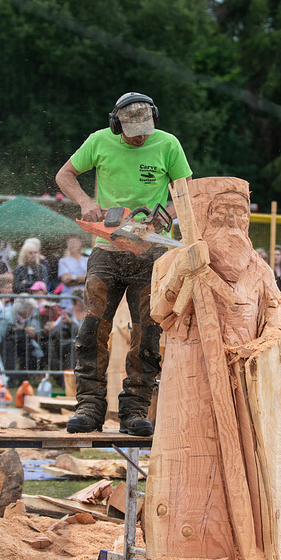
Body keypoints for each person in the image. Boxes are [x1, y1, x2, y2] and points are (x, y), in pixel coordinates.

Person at [146, 176, 281, 560]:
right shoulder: (170, 260)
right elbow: (159, 311)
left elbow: (277, 312)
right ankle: (189, 551)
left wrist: (263, 344)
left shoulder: (258, 268)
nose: (231, 220)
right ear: (203, 216)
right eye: (221, 211)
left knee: (247, 462)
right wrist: (182, 272)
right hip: (190, 380)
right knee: (194, 464)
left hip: (244, 380)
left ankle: (251, 549)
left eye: (239, 212)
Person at [55, 91, 192, 435]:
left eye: (145, 129)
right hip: (107, 249)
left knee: (147, 332)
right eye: (133, 132)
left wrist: (163, 217)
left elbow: (185, 191)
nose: (141, 136)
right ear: (117, 124)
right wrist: (86, 201)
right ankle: (89, 405)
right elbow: (65, 175)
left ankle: (135, 408)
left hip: (152, 256)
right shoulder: (99, 141)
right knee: (91, 329)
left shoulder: (167, 144)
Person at [0, 295, 43, 386]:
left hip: (19, 342)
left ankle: (25, 378)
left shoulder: (25, 318)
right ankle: (10, 378)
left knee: (29, 348)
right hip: (4, 344)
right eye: (31, 309)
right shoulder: (6, 317)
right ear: (23, 310)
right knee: (9, 347)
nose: (32, 312)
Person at [57, 234, 88, 309]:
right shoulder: (63, 261)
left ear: (80, 244)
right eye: (70, 242)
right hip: (68, 300)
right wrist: (82, 279)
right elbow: (66, 280)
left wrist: (72, 277)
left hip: (84, 299)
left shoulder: (87, 260)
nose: (72, 245)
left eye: (74, 242)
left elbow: (89, 278)